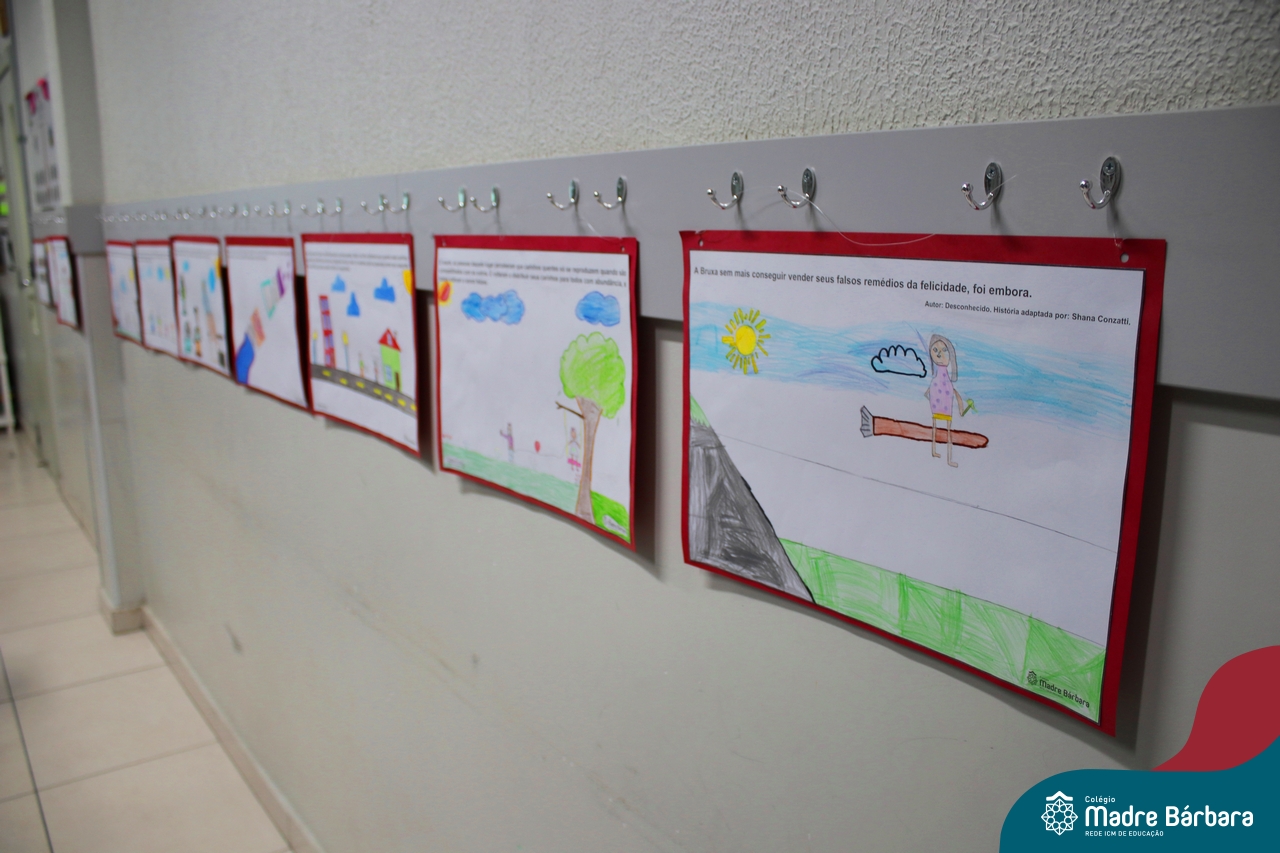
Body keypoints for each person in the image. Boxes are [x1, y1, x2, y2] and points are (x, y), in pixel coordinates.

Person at [925, 334, 966, 468]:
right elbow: (927, 393)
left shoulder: (947, 380)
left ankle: (948, 459)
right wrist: (932, 396)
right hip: (937, 400)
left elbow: (954, 392)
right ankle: (934, 451)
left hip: (945, 402)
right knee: (935, 427)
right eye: (935, 350)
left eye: (944, 350)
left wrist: (960, 406)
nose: (939, 354)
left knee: (947, 430)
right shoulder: (936, 378)